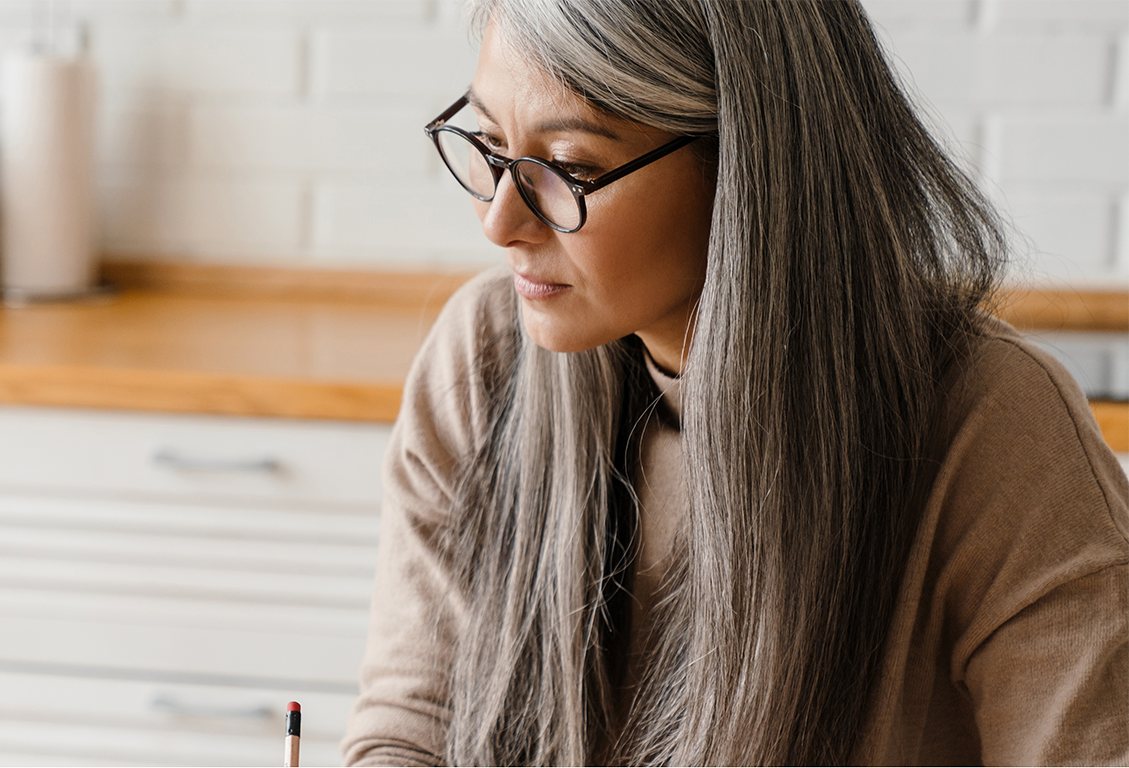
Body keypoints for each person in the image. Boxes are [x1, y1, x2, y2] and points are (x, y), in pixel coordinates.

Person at [340, 0, 1129, 764]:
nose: (499, 222)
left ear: (751, 167)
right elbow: (415, 724)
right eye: (487, 143)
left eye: (569, 168)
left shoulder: (995, 427)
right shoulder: (483, 359)